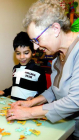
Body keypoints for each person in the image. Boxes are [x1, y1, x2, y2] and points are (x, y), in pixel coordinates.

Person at [6, 0, 79, 139]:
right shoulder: (57, 56)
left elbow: (75, 100)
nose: (35, 48)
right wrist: (31, 102)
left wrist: (29, 112)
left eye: (37, 40)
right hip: (64, 127)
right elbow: (54, 90)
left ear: (56, 29)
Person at [0, 31, 47, 101]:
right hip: (13, 105)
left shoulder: (39, 71)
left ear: (33, 52)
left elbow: (44, 92)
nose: (22, 57)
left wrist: (35, 99)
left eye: (26, 53)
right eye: (18, 53)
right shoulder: (15, 68)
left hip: (28, 108)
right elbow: (16, 87)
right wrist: (4, 92)